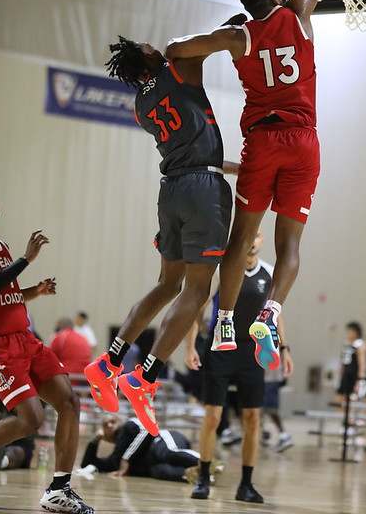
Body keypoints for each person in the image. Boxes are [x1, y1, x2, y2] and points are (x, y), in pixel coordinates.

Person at [166, 0, 348, 367]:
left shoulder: (238, 36)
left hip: (263, 141)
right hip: (304, 142)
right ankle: (269, 311)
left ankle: (225, 320)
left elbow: (178, 47)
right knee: (290, 244)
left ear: (248, 10)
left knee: (243, 235)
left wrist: (216, 40)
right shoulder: (300, 10)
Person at [85, 22, 241, 436]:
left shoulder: (141, 105)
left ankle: (110, 362)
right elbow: (209, 43)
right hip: (202, 191)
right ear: (149, 57)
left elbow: (190, 150)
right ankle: (145, 376)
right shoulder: (178, 65)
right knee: (197, 290)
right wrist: (239, 25)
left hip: (172, 189)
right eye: (150, 46)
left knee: (166, 284)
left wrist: (234, 167)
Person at [0, 192, 93, 513]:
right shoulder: (11, 254)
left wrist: (35, 291)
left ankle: (59, 490)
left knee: (69, 401)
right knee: (30, 420)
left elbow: (5, 295)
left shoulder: (0, 246)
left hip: (26, 339)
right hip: (0, 347)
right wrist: (26, 260)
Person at [186, 232, 293, 503]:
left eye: (256, 236)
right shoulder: (224, 268)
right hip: (221, 346)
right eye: (249, 236)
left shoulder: (269, 273)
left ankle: (246, 484)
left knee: (253, 419)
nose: (252, 241)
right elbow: (196, 307)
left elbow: (276, 314)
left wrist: (284, 348)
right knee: (213, 416)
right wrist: (191, 345)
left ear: (262, 240)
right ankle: (203, 478)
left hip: (252, 350)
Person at [80, 415, 199, 482]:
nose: (110, 425)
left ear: (119, 421)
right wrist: (94, 441)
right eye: (105, 425)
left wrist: (126, 459)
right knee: (160, 472)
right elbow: (87, 464)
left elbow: (148, 429)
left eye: (112, 421)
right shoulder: (115, 458)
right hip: (153, 464)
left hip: (161, 440)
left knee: (167, 453)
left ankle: (206, 462)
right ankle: (201, 475)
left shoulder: (129, 425)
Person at [337, 322, 366, 401]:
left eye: (350, 332)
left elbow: (363, 364)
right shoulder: (347, 345)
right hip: (346, 376)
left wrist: (360, 380)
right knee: (339, 400)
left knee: (351, 401)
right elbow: (343, 362)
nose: (348, 334)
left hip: (354, 377)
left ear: (356, 333)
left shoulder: (360, 345)